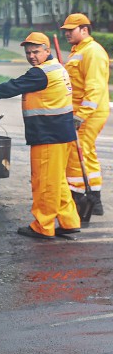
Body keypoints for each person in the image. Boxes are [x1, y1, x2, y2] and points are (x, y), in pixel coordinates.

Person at [0, 32, 81, 239]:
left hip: (48, 136)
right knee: (57, 181)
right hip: (62, 134)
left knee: (45, 182)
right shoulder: (57, 68)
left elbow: (13, 86)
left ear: (47, 50)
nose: (31, 56)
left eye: (36, 52)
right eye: (28, 53)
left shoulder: (40, 73)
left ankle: (43, 226)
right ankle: (69, 221)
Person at [60, 13, 109, 218]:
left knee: (77, 152)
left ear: (84, 30)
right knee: (86, 151)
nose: (67, 34)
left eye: (71, 30)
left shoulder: (93, 52)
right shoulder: (79, 50)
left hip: (89, 113)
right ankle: (94, 198)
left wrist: (81, 115)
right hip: (83, 111)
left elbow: (94, 87)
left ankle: (80, 196)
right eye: (65, 31)